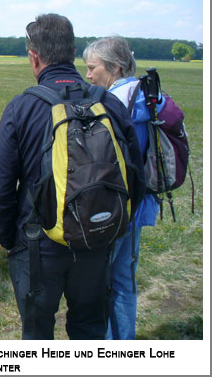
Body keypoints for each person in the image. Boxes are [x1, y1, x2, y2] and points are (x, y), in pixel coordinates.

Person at [0, 14, 145, 340]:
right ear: (73, 51)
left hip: (35, 244)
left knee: (37, 335)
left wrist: (8, 240)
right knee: (89, 330)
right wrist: (114, 226)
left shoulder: (22, 108)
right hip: (96, 238)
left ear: (34, 57)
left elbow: (2, 189)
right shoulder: (109, 103)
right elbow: (135, 175)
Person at [83, 36, 161, 340]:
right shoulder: (146, 97)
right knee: (124, 278)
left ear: (114, 67)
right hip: (138, 206)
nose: (88, 75)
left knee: (102, 280)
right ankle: (123, 342)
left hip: (115, 208)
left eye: (93, 68)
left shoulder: (115, 103)